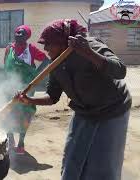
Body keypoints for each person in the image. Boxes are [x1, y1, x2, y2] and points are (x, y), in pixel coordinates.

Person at [15, 19, 132, 180]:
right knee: (73, 155)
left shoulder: (90, 46)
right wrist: (29, 100)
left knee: (103, 159)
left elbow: (120, 71)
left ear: (62, 42)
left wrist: (89, 53)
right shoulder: (55, 63)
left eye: (49, 43)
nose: (45, 48)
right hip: (84, 110)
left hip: (112, 110)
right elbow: (52, 96)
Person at [3, 25, 49, 154]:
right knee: (8, 112)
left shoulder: (31, 50)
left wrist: (36, 75)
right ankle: (10, 139)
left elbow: (46, 60)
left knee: (25, 114)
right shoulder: (9, 49)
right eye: (17, 33)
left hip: (27, 88)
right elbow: (6, 66)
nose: (18, 35)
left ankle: (21, 143)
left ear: (26, 36)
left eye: (21, 33)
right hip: (10, 87)